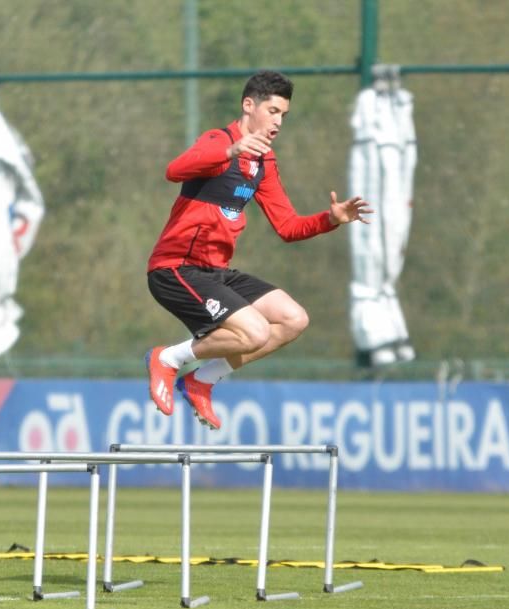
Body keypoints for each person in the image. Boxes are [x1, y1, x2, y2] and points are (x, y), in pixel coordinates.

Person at [145, 70, 372, 430]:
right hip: (176, 268)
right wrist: (229, 150)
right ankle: (168, 358)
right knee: (254, 332)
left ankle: (201, 380)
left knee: (293, 319)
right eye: (273, 111)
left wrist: (331, 219)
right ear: (248, 105)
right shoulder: (217, 141)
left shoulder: (264, 162)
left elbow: (288, 227)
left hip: (216, 271)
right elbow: (174, 170)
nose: (279, 121)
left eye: (284, 115)